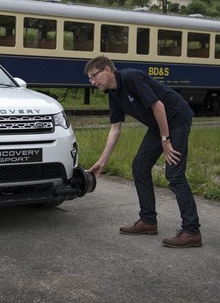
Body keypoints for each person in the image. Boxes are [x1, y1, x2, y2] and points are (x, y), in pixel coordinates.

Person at [85, 56, 202, 248]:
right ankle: (148, 221)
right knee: (139, 166)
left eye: (93, 76)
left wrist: (166, 140)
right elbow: (115, 130)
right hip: (159, 125)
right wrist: (102, 161)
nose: (92, 82)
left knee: (174, 174)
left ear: (107, 70)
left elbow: (159, 106)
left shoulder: (131, 77)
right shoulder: (113, 94)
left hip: (176, 118)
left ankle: (192, 231)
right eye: (90, 79)